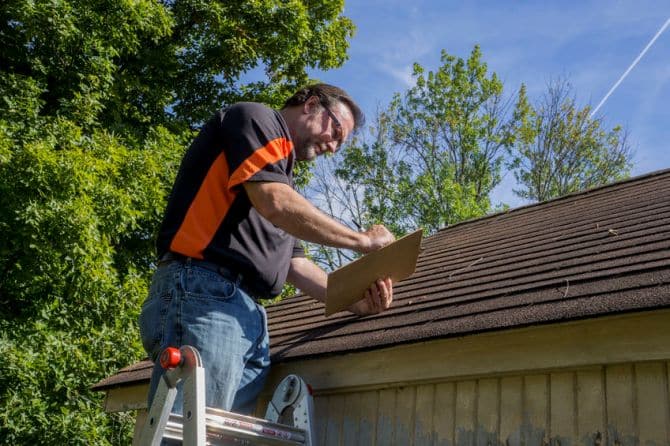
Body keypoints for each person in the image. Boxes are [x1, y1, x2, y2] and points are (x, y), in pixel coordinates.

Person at [139, 84, 395, 416]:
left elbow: (294, 266)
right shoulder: (256, 119)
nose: (333, 147)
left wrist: (356, 302)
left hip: (244, 315)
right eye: (335, 131)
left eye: (339, 144)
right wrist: (362, 240)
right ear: (311, 104)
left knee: (218, 437)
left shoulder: (280, 183)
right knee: (192, 432)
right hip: (205, 295)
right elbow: (274, 202)